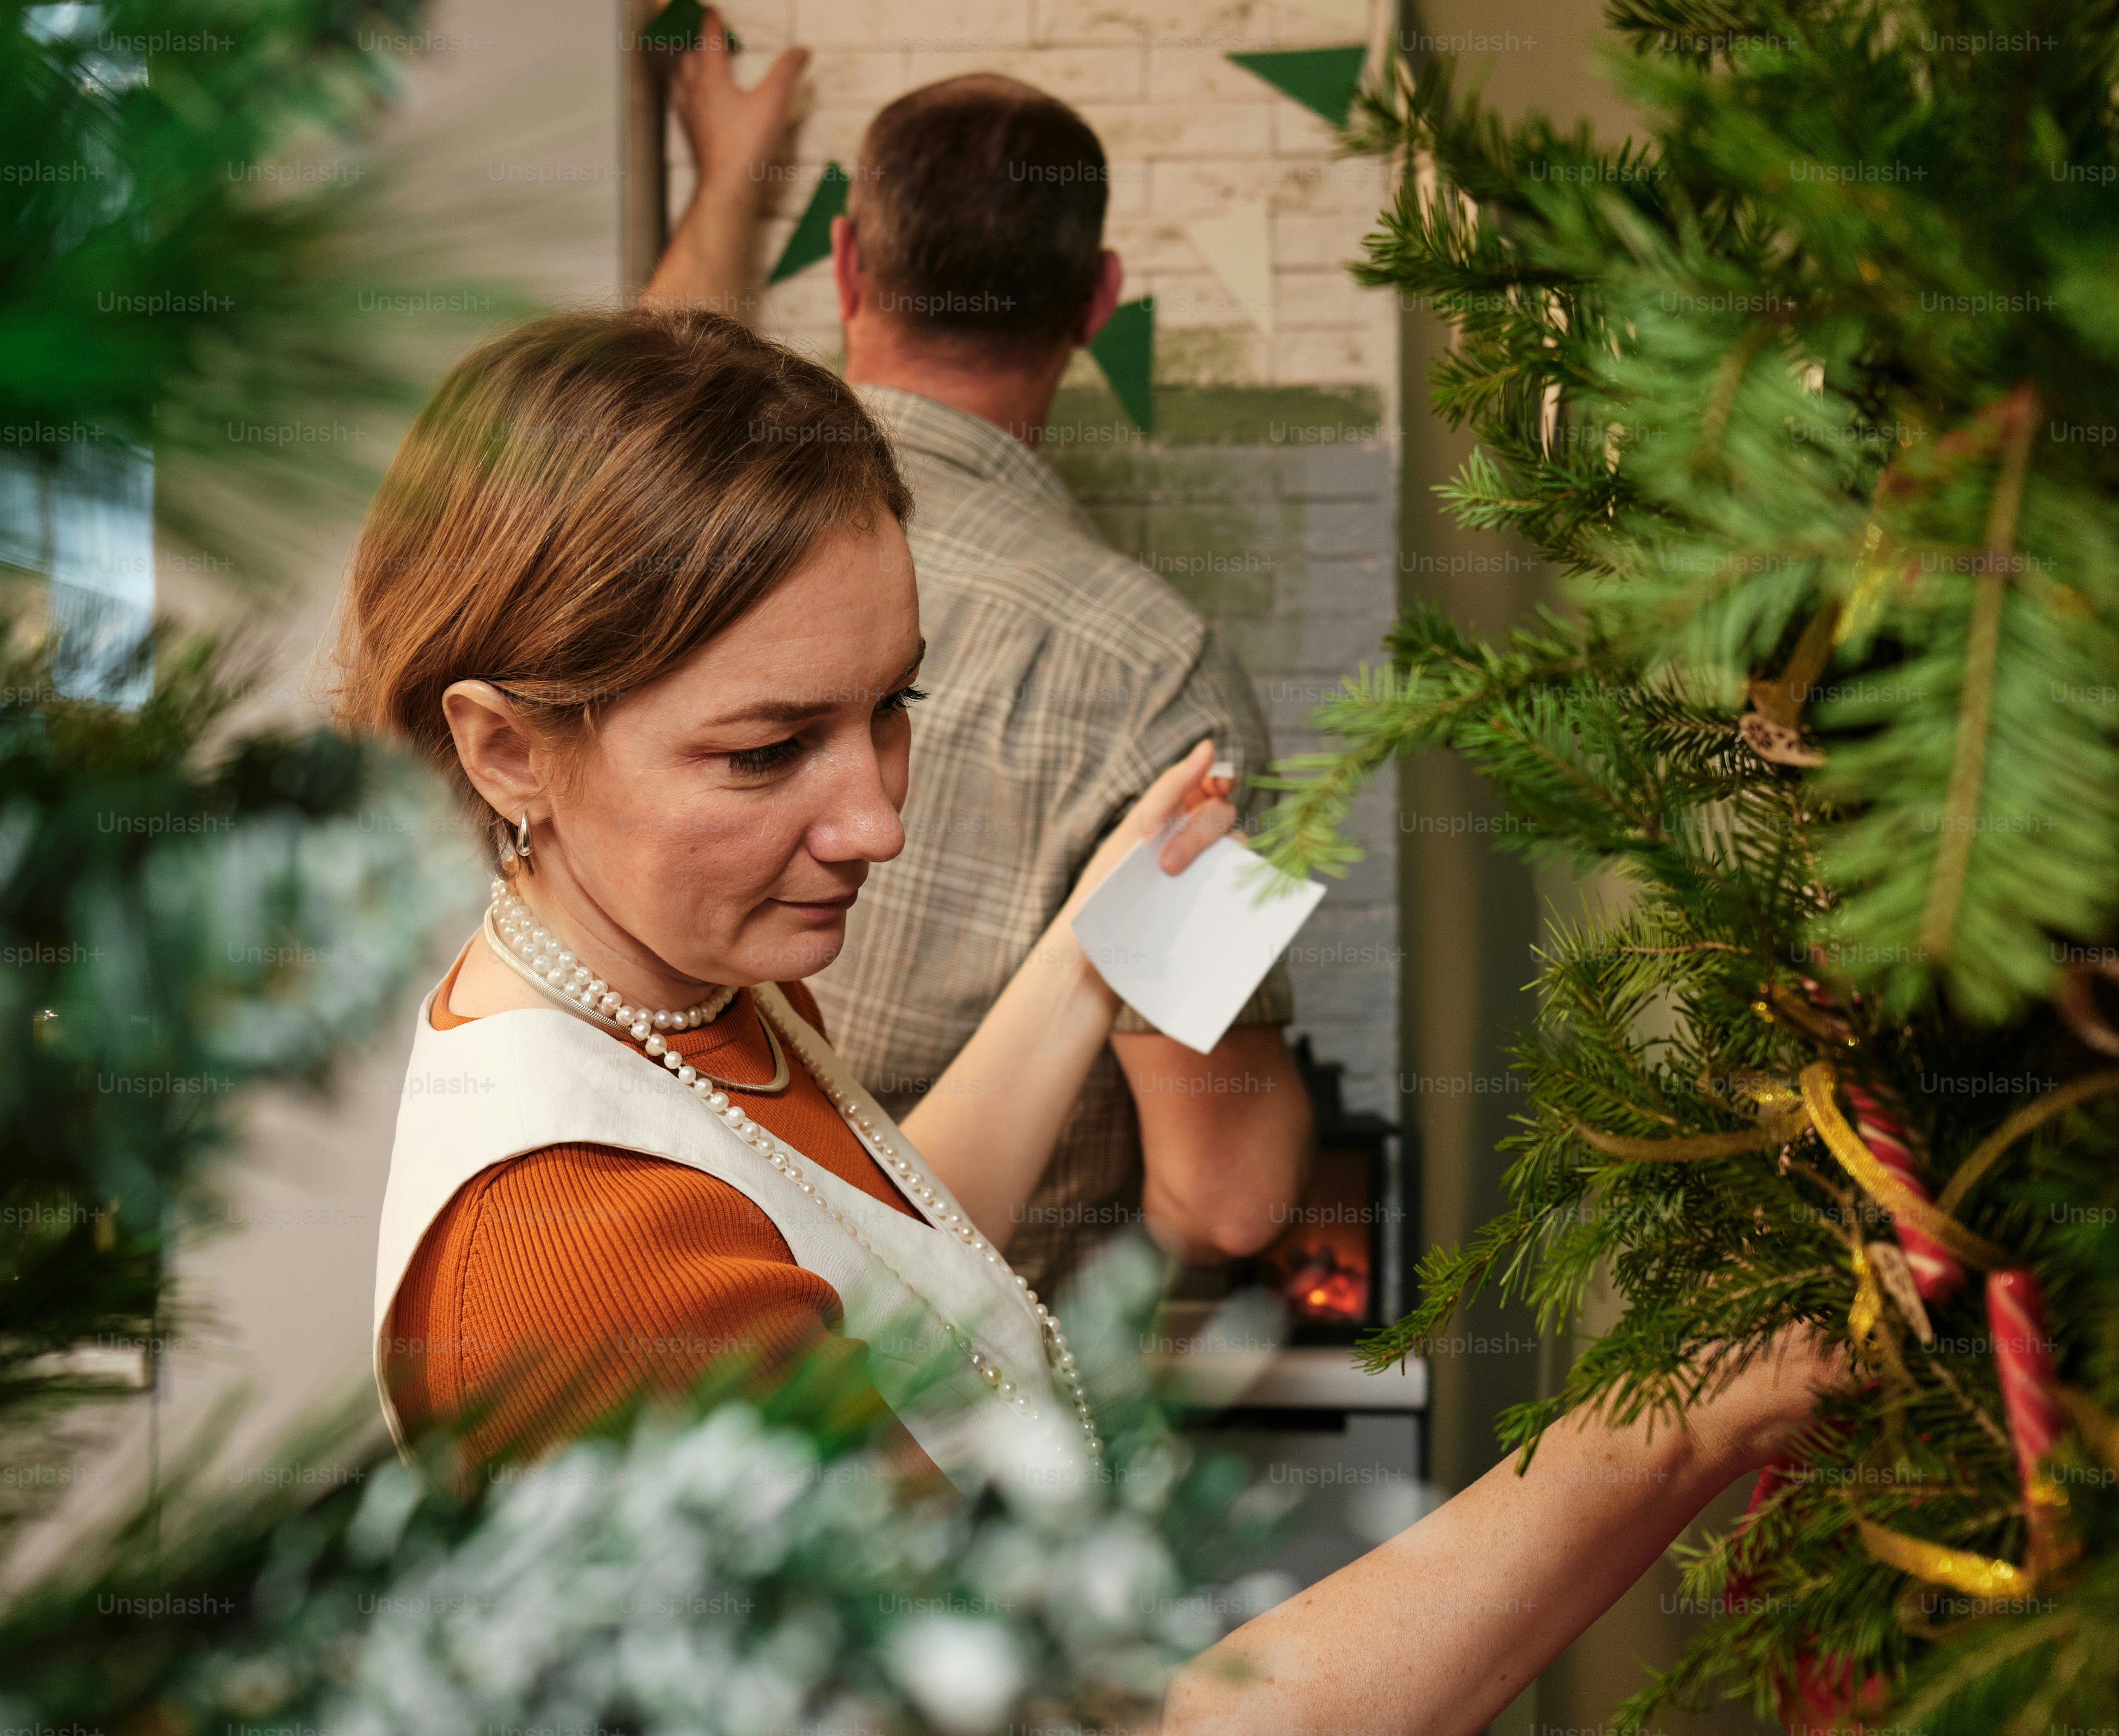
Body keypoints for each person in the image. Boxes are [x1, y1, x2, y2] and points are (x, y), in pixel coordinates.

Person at [344, 306, 1840, 1734]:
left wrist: (1086, 953)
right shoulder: (583, 1251)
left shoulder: (669, 984)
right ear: (508, 749)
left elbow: (861, 1242)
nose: (874, 821)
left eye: (891, 708)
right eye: (768, 750)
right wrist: (1671, 1428)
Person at [644, 29, 1309, 1300]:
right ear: (1099, 301)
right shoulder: (1161, 676)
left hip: (686, 1318)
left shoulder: (670, 523)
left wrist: (728, 181)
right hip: (969, 1386)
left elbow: (640, 375)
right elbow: (1228, 1200)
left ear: (850, 261)